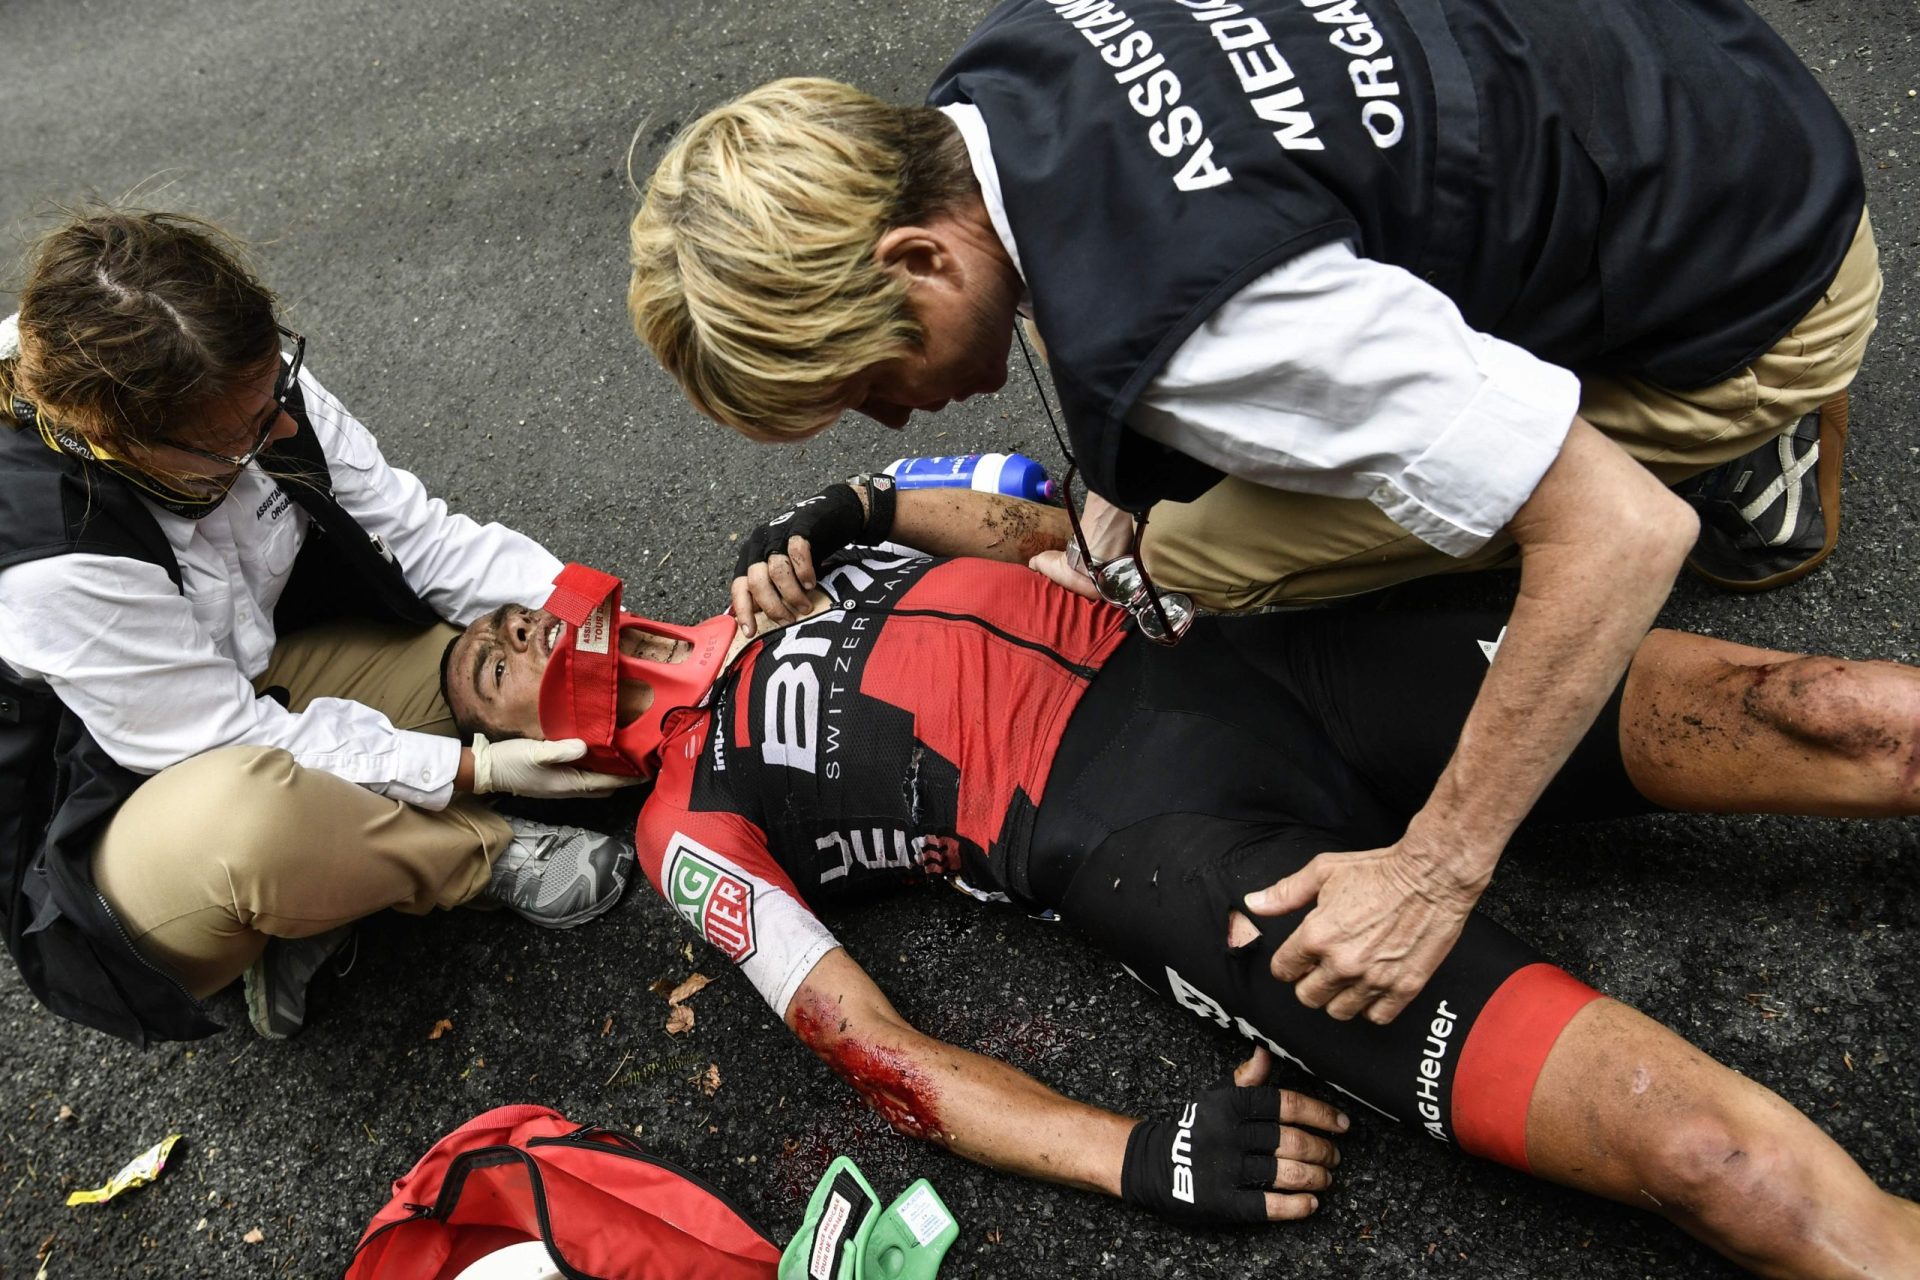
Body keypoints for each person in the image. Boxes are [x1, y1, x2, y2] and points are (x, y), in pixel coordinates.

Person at [625, 0, 1885, 1028]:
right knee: (1160, 483)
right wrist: (1092, 475)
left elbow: (1620, 533)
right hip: (1693, 72)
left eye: (866, 381)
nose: (894, 422)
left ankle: (1745, 451)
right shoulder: (1013, 67)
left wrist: (1431, 870)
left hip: (1769, 281)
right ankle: (1506, 420)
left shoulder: (1202, 332)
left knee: (1202, 553)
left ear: (916, 258)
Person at [443, 480, 1920, 1275]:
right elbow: (877, 1051)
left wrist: (864, 502)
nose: (501, 640)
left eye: (497, 620)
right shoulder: (681, 833)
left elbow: (1044, 519)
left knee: (1838, 714)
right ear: (519, 756)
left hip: (1267, 672)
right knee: (1717, 1169)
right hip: (1166, 850)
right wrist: (1133, 1152)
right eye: (475, 677)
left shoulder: (791, 575)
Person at [0, 207, 638, 1046]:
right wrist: (474, 771)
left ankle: (333, 882)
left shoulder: (215, 363)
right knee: (256, 825)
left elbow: (422, 538)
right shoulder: (47, 544)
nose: (285, 431)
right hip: (123, 816)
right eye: (242, 439)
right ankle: (467, 857)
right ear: (117, 442)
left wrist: (604, 630)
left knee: (513, 675)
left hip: (250, 682)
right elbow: (219, 740)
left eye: (275, 395)